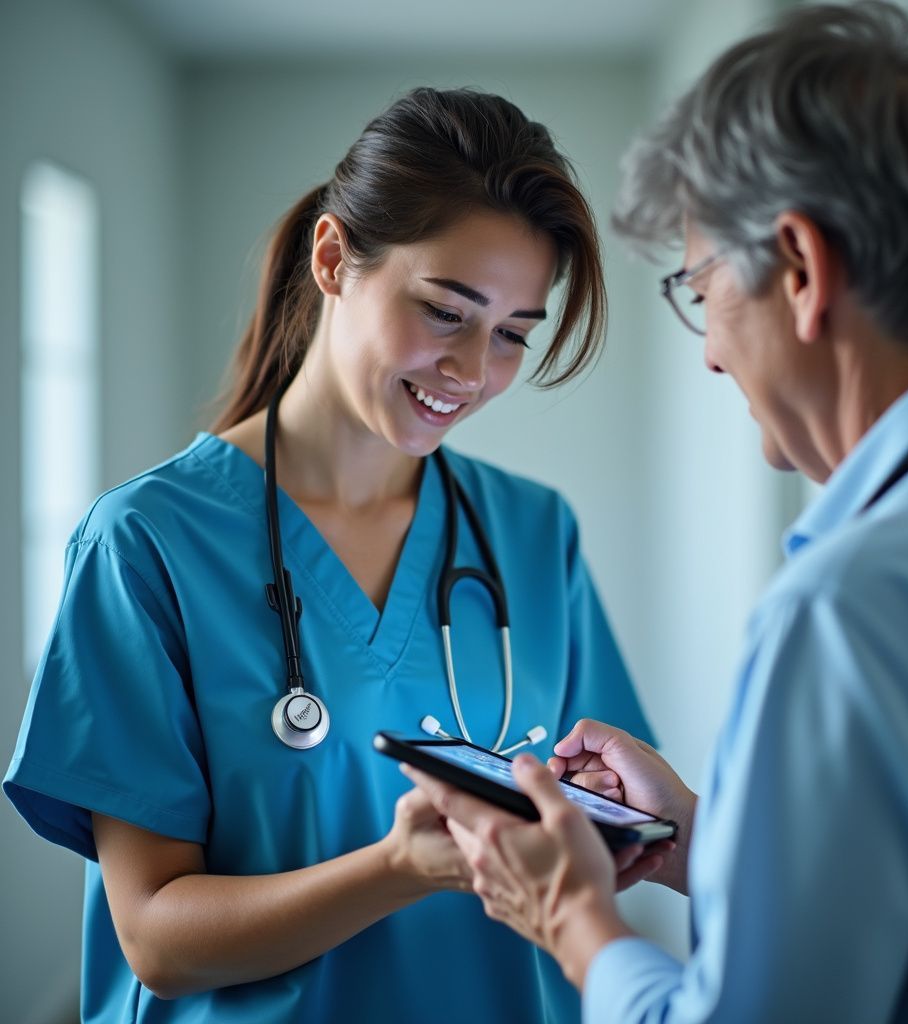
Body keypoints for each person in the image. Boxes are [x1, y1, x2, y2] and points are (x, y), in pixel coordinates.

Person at [407, 4, 908, 1022]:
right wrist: (705, 840)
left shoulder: (851, 607)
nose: (708, 351)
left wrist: (573, 917)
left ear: (799, 269)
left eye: (701, 289)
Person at [3, 87, 656, 1024]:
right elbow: (154, 938)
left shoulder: (533, 533)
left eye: (513, 334)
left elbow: (604, 832)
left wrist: (593, 814)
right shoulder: (148, 543)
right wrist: (399, 869)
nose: (473, 371)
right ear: (333, 258)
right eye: (445, 311)